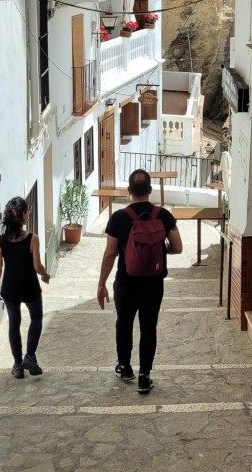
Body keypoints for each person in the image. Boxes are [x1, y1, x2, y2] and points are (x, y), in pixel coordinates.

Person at [96, 169, 183, 394]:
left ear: (129, 191)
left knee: (124, 324)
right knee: (148, 327)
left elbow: (109, 254)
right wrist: (159, 249)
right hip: (153, 283)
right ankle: (145, 376)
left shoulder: (118, 218)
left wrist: (101, 283)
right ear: (150, 190)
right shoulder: (164, 216)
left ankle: (125, 368)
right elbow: (178, 247)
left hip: (126, 283)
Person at [0, 197, 50, 378]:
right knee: (36, 318)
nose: (29, 213)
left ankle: (17, 365)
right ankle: (30, 356)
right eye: (27, 211)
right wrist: (45, 275)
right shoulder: (33, 238)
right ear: (23, 215)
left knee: (14, 323)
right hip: (29, 287)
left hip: (10, 289)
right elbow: (37, 266)